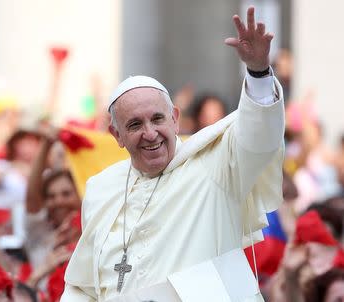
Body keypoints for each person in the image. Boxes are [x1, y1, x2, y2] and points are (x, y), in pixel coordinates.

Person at [61, 6, 285, 302]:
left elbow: (260, 138)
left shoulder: (216, 163)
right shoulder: (101, 188)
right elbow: (84, 286)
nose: (150, 133)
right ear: (116, 136)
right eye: (134, 125)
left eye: (157, 119)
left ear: (175, 119)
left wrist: (258, 71)